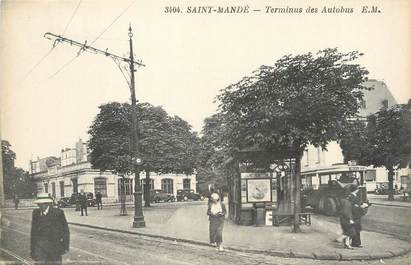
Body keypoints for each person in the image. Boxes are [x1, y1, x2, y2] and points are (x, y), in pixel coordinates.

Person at [31, 193, 70, 264]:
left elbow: (65, 230)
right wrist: (32, 250)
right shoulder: (35, 213)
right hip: (40, 248)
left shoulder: (58, 213)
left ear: (47, 204)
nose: (40, 206)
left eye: (42, 204)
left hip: (54, 247)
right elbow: (33, 232)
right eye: (38, 204)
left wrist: (65, 246)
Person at [339, 185, 356, 249]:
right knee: (351, 232)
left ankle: (347, 244)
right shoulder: (346, 202)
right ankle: (339, 239)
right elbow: (346, 212)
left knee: (347, 231)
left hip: (343, 218)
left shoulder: (343, 200)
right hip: (346, 219)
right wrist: (350, 219)